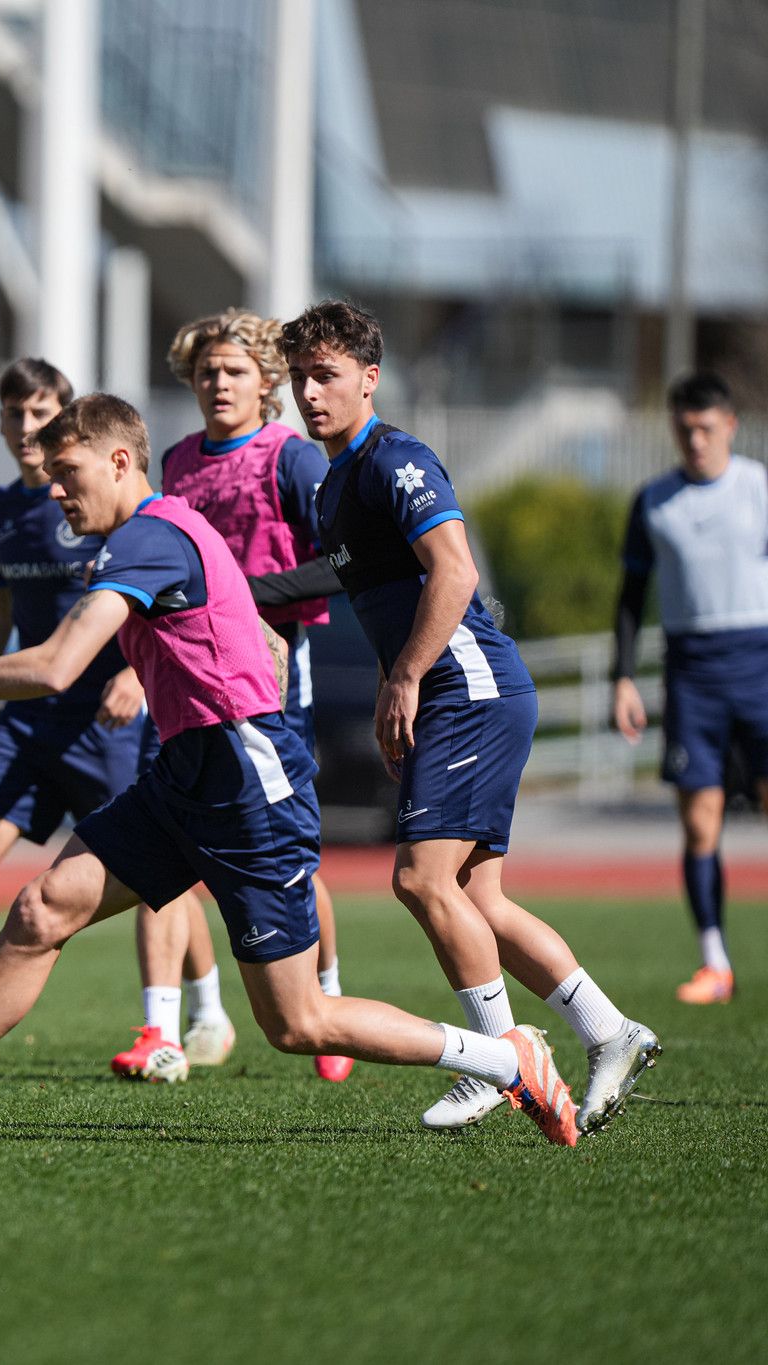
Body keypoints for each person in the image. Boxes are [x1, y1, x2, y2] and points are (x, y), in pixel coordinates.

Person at [0, 394, 581, 1146]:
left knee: (297, 1022)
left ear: (120, 461)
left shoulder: (149, 537)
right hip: (186, 773)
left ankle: (505, 1056)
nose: (55, 488)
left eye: (68, 469)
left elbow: (57, 666)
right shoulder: (154, 534)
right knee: (41, 910)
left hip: (247, 787)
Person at [249, 299, 658, 1135]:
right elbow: (350, 581)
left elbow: (455, 574)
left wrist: (403, 676)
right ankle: (611, 1031)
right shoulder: (333, 488)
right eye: (298, 377)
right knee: (481, 899)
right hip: (455, 690)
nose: (309, 392)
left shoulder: (398, 460)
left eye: (325, 375)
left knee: (419, 880)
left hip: (468, 686)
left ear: (370, 378)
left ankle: (499, 1054)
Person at [0, 358, 196, 1083]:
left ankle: (170, 1024)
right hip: (30, 720)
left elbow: (154, 609)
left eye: (42, 415)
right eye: (14, 415)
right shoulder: (3, 510)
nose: (27, 430)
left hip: (108, 719)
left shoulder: (126, 515)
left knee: (158, 871)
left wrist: (135, 675)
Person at [153, 308, 349, 1083]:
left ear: (267, 381)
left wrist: (243, 593)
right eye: (206, 371)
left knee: (285, 856)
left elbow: (345, 562)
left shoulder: (292, 459)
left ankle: (328, 998)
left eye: (234, 370)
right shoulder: (173, 462)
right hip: (186, 683)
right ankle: (181, 1021)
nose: (218, 382)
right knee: (182, 849)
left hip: (271, 679)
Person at [613, 372, 768, 1004]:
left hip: (759, 659)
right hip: (690, 670)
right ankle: (715, 962)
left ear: (729, 424)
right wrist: (623, 676)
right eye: (684, 429)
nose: (695, 440)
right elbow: (630, 597)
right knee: (700, 824)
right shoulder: (653, 500)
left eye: (705, 428)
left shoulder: (759, 488)